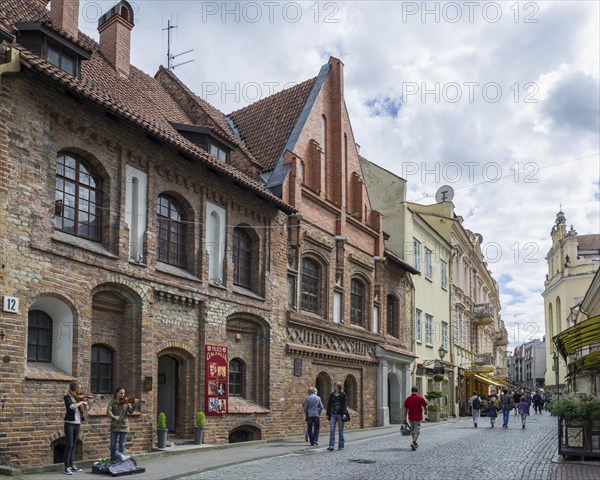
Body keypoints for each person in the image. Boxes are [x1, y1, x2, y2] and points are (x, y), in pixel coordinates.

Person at [106, 387, 139, 461]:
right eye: (121, 393)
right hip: (114, 426)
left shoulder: (127, 402)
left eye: (123, 393)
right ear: (117, 393)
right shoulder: (112, 402)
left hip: (124, 425)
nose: (122, 395)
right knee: (113, 445)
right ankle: (112, 459)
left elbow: (130, 412)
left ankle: (121, 460)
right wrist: (113, 416)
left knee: (122, 444)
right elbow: (108, 411)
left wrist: (135, 404)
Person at [63, 381, 89, 475]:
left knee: (73, 445)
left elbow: (86, 409)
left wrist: (86, 404)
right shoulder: (67, 397)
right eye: (79, 388)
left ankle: (71, 465)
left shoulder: (78, 398)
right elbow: (71, 406)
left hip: (77, 423)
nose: (80, 390)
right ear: (74, 388)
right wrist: (81, 402)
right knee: (69, 445)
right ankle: (66, 467)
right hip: (69, 423)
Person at [403, 386, 427, 451]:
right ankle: (414, 442)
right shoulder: (420, 398)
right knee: (417, 430)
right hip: (418, 417)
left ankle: (414, 442)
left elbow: (405, 409)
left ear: (411, 391)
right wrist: (426, 411)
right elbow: (425, 405)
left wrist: (404, 417)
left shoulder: (408, 399)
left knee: (412, 430)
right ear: (417, 391)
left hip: (410, 417)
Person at [326, 382, 348, 451]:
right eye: (334, 386)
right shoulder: (332, 395)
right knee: (332, 430)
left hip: (340, 415)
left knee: (340, 431)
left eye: (335, 386)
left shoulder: (343, 395)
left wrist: (344, 413)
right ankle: (331, 446)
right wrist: (327, 414)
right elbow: (329, 405)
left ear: (339, 387)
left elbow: (344, 404)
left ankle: (341, 446)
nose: (334, 387)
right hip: (333, 414)